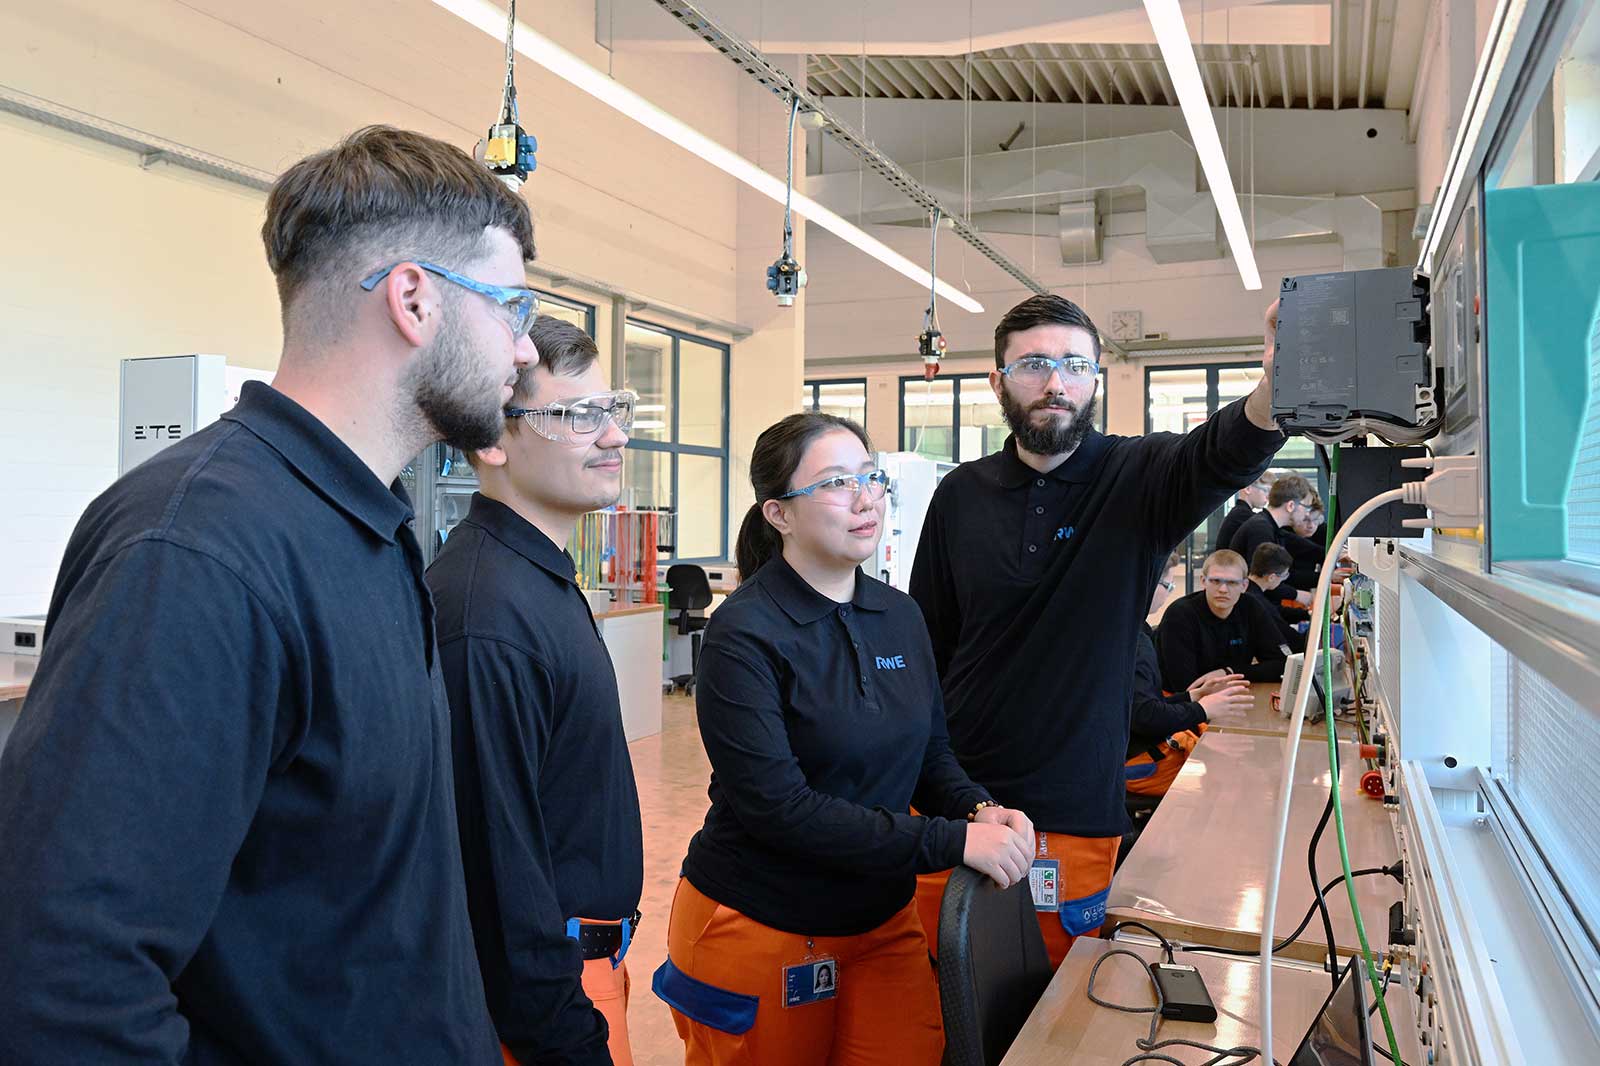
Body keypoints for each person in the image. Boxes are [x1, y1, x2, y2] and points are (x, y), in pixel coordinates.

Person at [0, 126, 539, 1063]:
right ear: (415, 299)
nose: (527, 349)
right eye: (513, 305)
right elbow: (65, 981)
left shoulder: (365, 526)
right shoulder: (199, 553)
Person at [907, 294, 1285, 968]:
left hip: (1074, 807)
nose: (1056, 383)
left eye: (1075, 365)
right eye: (1035, 365)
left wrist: (1277, 386)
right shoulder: (960, 494)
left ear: (1096, 380)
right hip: (955, 804)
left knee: (1053, 1013)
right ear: (998, 382)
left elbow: (1223, 454)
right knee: (948, 1003)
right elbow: (928, 649)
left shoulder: (1138, 478)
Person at [654, 412, 1035, 1066]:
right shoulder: (744, 634)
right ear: (779, 514)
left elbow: (930, 754)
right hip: (763, 923)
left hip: (882, 922)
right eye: (836, 483)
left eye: (870, 477)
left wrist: (975, 807)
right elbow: (780, 809)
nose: (865, 498)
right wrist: (953, 840)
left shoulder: (898, 615)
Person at [427, 318, 643, 1066]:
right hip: (542, 1005)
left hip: (578, 974)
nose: (613, 436)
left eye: (613, 409)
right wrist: (568, 1041)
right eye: (579, 416)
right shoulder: (486, 614)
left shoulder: (535, 576)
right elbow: (497, 871)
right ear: (492, 440)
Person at [1125, 555, 1254, 802]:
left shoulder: (1136, 630)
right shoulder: (1135, 644)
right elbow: (1144, 717)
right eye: (1168, 586)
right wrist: (1201, 709)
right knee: (1228, 772)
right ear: (1149, 585)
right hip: (1134, 762)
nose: (1223, 590)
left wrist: (1194, 696)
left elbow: (1139, 708)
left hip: (1138, 747)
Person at [1157, 550, 1292, 693]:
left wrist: (1229, 672)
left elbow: (1284, 665)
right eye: (1215, 581)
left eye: (1232, 583)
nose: (1223, 589)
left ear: (1244, 586)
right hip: (1178, 705)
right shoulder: (1179, 615)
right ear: (1203, 581)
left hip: (1230, 696)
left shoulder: (1251, 607)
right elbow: (1186, 687)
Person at [1229, 473, 1317, 607]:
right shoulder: (1261, 530)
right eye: (1306, 508)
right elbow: (1265, 580)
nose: (1307, 514)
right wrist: (1298, 595)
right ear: (1291, 506)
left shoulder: (1270, 527)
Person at [1247, 543, 1308, 652]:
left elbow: (1277, 611)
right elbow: (1297, 642)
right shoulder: (1257, 602)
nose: (1284, 579)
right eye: (1284, 575)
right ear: (1271, 577)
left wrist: (1307, 614)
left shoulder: (1249, 590)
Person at [1216, 471, 1274, 555]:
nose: (1268, 497)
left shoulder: (1239, 513)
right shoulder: (1242, 515)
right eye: (1266, 490)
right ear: (1248, 488)